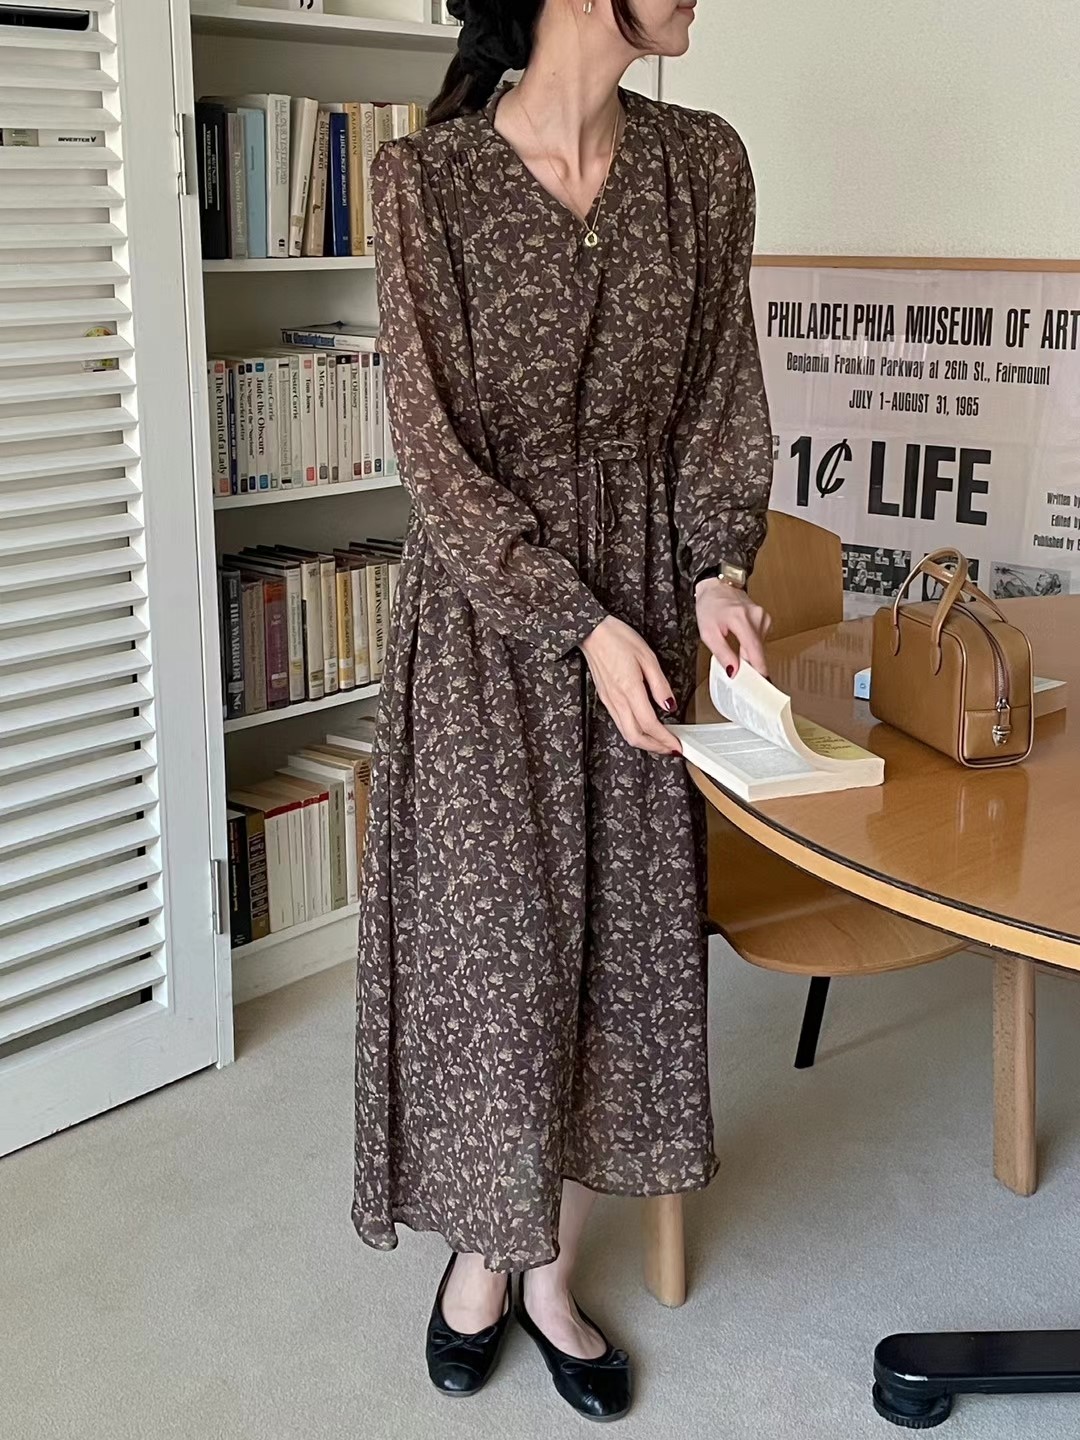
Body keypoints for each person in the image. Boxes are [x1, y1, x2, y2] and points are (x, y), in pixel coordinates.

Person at [352, 0, 773, 1419]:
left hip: (646, 618)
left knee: (619, 960)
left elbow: (719, 402)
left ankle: (547, 1276)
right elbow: (434, 460)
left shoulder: (703, 164)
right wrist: (577, 622)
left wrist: (716, 573)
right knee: (500, 961)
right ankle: (482, 1257)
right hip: (493, 632)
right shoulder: (425, 182)